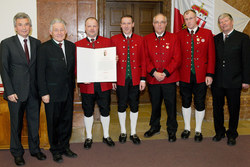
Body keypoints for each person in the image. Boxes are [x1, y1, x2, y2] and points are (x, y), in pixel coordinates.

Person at [0, 12, 46, 166]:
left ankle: (35, 150)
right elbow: (4, 69)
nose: (24, 27)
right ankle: (17, 152)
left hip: (34, 92)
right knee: (16, 124)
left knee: (34, 122)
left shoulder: (37, 43)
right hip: (16, 93)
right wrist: (9, 91)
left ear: (30, 26)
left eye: (26, 24)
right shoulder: (6, 43)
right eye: (20, 24)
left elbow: (40, 67)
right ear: (15, 27)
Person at [37, 18, 77, 163]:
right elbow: (40, 73)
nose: (59, 32)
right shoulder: (43, 48)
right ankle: (55, 150)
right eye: (56, 30)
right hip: (51, 94)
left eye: (62, 30)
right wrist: (43, 93)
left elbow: (75, 68)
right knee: (53, 122)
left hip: (68, 92)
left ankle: (65, 147)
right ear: (50, 32)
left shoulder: (72, 46)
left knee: (67, 121)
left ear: (66, 32)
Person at [75, 17, 115, 150]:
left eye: (94, 26)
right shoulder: (78, 45)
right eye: (89, 26)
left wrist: (114, 59)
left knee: (105, 110)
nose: (92, 29)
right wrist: (80, 77)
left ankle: (106, 135)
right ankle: (89, 137)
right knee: (88, 111)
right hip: (87, 85)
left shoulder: (107, 42)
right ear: (85, 28)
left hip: (104, 84)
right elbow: (75, 66)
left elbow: (111, 63)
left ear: (98, 27)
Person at [212, 13, 250, 146]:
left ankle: (232, 134)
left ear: (232, 22)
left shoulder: (243, 38)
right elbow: (212, 60)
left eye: (226, 21)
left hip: (234, 81)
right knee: (217, 108)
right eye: (221, 22)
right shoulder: (215, 39)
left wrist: (246, 80)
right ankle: (219, 132)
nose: (223, 24)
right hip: (217, 82)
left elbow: (246, 61)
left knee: (234, 109)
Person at [177, 9, 215, 142]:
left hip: (201, 76)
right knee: (185, 102)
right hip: (184, 76)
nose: (188, 21)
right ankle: (187, 128)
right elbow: (177, 57)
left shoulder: (207, 33)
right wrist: (177, 76)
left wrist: (210, 74)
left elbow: (211, 55)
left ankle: (198, 130)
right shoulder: (179, 35)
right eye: (186, 19)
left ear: (196, 19)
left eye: (191, 18)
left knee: (199, 102)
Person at [143, 13, 181, 142]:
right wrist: (154, 72)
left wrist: (165, 73)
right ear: (153, 24)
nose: (159, 25)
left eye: (162, 22)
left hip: (169, 79)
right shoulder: (146, 39)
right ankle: (154, 127)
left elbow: (177, 58)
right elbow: (145, 58)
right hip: (153, 79)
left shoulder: (174, 38)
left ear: (166, 24)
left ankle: (172, 130)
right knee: (155, 105)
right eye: (157, 22)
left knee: (171, 106)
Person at [111, 15, 146, 145]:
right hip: (120, 79)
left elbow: (143, 60)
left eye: (128, 23)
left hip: (136, 79)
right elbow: (109, 62)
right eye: (123, 23)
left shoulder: (140, 40)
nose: (126, 26)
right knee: (121, 105)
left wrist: (143, 79)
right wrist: (112, 79)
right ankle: (123, 131)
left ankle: (133, 132)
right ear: (120, 25)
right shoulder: (114, 39)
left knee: (135, 105)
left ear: (133, 24)